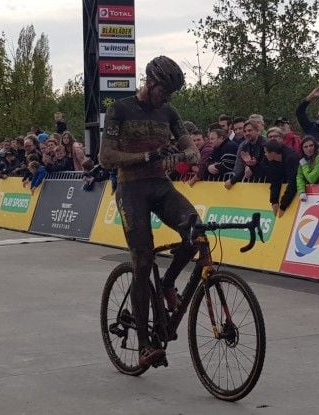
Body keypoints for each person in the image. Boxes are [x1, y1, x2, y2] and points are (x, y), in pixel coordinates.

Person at [98, 56, 200, 368]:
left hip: (160, 186)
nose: (166, 98)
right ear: (150, 83)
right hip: (131, 190)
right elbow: (105, 157)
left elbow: (190, 146)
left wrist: (188, 152)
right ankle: (144, 344)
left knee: (197, 231)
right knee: (142, 261)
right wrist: (147, 155)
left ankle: (168, 283)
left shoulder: (169, 111)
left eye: (170, 94)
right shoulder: (120, 109)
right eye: (163, 91)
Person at [224, 120, 267, 188]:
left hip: (266, 182)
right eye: (245, 131)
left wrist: (252, 167)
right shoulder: (245, 145)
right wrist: (232, 180)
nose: (247, 133)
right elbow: (241, 168)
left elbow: (264, 166)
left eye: (250, 130)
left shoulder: (265, 144)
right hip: (252, 182)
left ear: (258, 131)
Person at [263, 139, 299, 217]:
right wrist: (274, 201)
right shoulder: (273, 160)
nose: (265, 154)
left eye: (266, 152)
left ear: (272, 153)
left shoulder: (291, 158)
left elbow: (293, 183)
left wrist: (283, 205)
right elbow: (275, 180)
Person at [296, 136, 319, 202]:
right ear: (302, 149)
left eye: (311, 145)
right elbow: (299, 177)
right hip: (311, 193)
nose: (309, 148)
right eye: (305, 147)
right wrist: (302, 192)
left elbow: (312, 179)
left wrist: (304, 165)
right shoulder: (303, 159)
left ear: (315, 146)